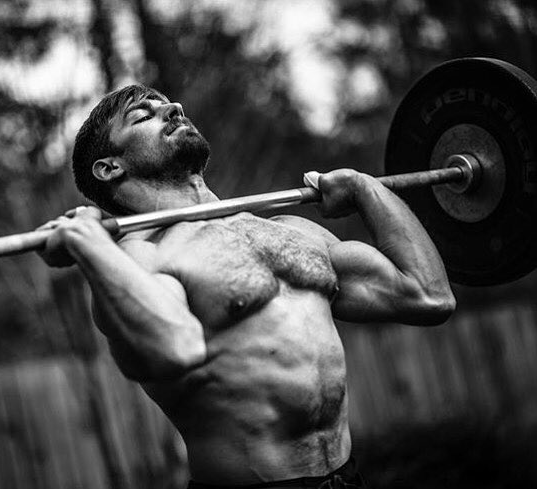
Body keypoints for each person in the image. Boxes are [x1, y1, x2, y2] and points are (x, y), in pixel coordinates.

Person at [36, 85, 456, 488]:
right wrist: (89, 245)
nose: (174, 108)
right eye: (144, 115)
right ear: (111, 167)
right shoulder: (139, 260)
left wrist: (367, 189)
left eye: (170, 104)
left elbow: (427, 294)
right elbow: (174, 348)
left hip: (347, 476)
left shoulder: (292, 231)